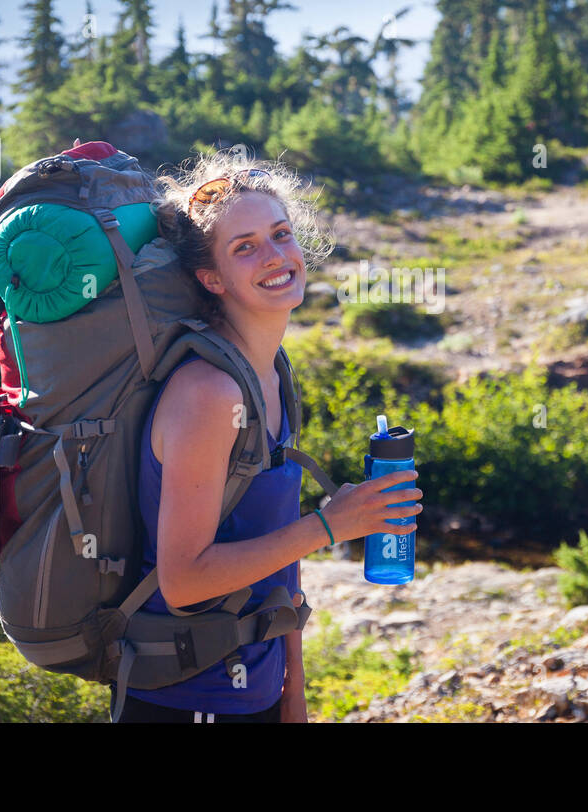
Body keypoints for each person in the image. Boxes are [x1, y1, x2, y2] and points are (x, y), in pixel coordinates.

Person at [108, 151, 424, 723]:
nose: (277, 256)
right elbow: (184, 582)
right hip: (184, 699)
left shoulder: (271, 371)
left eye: (281, 234)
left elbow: (281, 562)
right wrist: (333, 524)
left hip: (256, 692)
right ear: (211, 278)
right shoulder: (208, 393)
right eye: (245, 247)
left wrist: (292, 694)